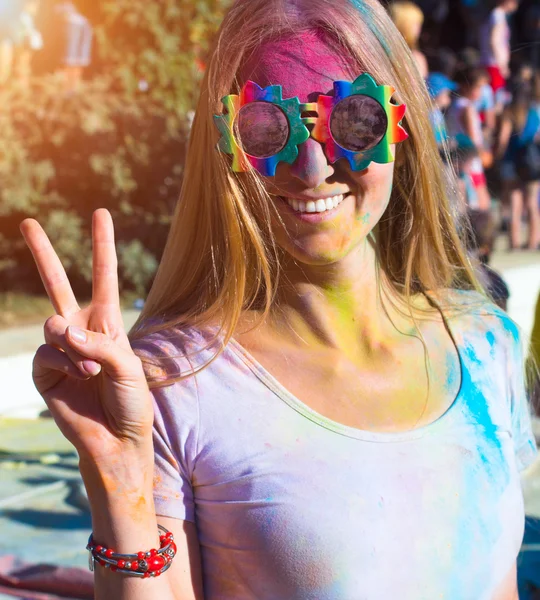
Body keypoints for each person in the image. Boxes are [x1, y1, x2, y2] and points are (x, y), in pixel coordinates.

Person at [20, 0, 537, 598]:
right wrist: (119, 478)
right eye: (270, 127)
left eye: (355, 120)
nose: (312, 166)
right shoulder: (177, 380)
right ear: (227, 147)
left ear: (404, 126)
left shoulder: (481, 342)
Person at [496, 75, 540, 250]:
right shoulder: (533, 112)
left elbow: (503, 140)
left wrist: (497, 156)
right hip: (531, 162)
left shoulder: (509, 112)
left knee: (514, 202)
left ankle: (514, 242)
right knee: (531, 202)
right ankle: (532, 241)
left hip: (512, 162)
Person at [446, 67, 492, 211]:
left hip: (459, 159)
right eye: (478, 87)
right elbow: (474, 140)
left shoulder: (453, 105)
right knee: (482, 206)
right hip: (471, 162)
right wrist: (484, 153)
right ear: (466, 86)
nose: (480, 92)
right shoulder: (467, 108)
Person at [479, 0, 519, 97]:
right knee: (494, 99)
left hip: (493, 63)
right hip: (493, 64)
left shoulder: (497, 15)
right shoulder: (498, 15)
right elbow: (494, 40)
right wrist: (502, 64)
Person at [388, 1, 428, 78]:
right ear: (405, 25)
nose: (419, 29)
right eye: (416, 25)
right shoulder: (416, 59)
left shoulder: (381, 51)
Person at [426, 71, 456, 149]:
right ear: (436, 94)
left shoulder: (437, 113)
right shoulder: (427, 115)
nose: (449, 97)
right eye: (446, 94)